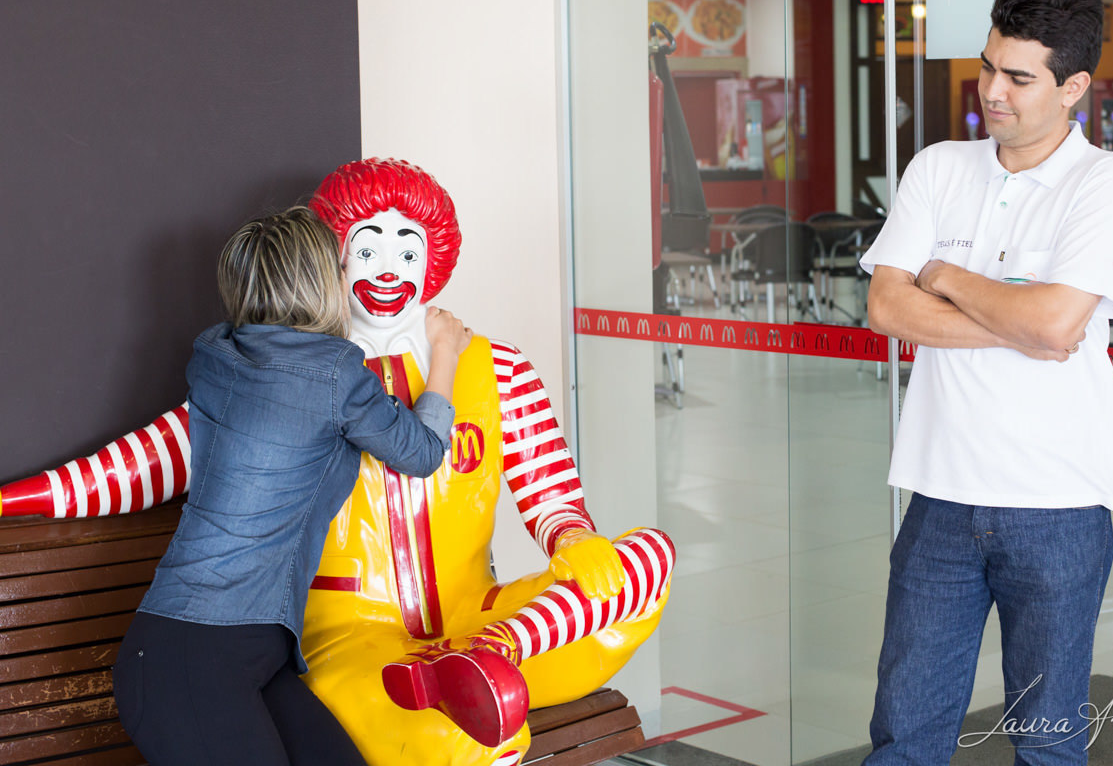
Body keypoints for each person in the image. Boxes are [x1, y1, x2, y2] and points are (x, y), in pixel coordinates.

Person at [0, 159, 673, 766]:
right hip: (339, 648)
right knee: (462, 742)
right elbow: (139, 464)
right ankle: (466, 680)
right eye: (366, 249)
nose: (388, 269)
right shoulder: (313, 374)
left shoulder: (495, 369)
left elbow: (552, 493)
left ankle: (494, 654)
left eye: (408, 249)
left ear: (435, 258)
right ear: (331, 269)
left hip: (446, 624)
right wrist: (18, 498)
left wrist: (575, 540)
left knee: (643, 561)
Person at [858, 0, 1113, 766]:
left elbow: (1053, 324)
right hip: (939, 497)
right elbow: (887, 307)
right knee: (904, 737)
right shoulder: (938, 167)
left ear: (1073, 87)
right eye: (989, 67)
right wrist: (1021, 320)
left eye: (1018, 77)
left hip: (1057, 505)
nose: (992, 91)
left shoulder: (1106, 183)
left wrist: (944, 275)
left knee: (1047, 743)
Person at [110, 207, 471, 766]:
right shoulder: (334, 373)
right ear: (322, 283)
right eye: (342, 267)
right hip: (195, 660)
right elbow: (421, 452)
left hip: (231, 654)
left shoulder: (214, 355)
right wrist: (445, 349)